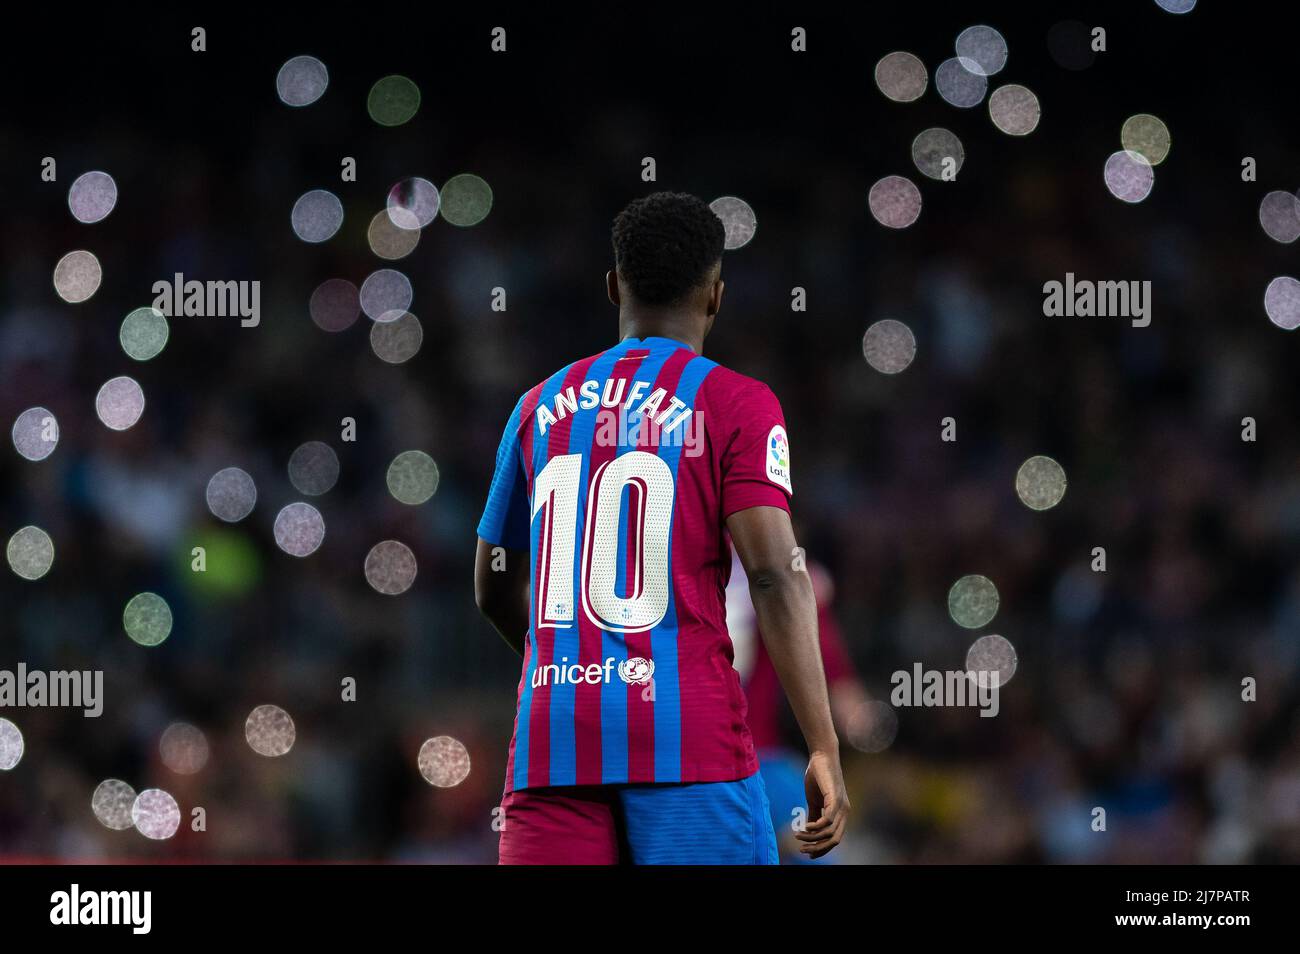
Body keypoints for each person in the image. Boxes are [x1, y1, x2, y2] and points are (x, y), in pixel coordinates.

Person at [473, 191, 847, 864]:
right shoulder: (736, 402)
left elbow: (491, 587)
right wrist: (822, 743)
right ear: (716, 296)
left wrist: (569, 669)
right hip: (688, 740)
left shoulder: (536, 406)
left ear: (614, 285)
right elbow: (771, 572)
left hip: (552, 743)